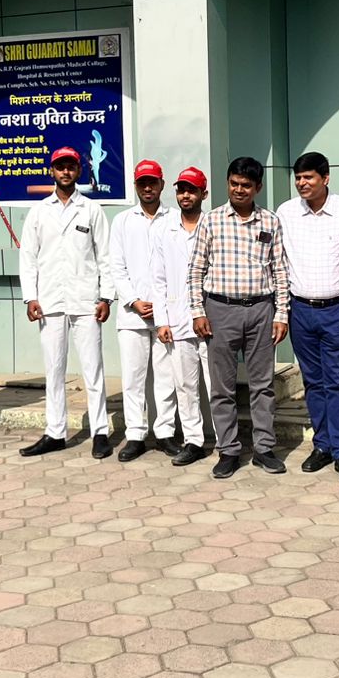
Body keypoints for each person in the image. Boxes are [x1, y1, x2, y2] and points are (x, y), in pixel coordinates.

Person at [188, 155, 290, 480]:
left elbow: (280, 271)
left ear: (258, 186)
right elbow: (196, 269)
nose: (239, 190)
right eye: (234, 184)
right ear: (227, 184)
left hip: (261, 310)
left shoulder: (270, 222)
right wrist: (198, 311)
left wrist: (281, 314)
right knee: (222, 387)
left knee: (263, 385)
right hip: (220, 310)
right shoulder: (212, 220)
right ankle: (229, 450)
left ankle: (264, 448)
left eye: (246, 185)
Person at [17, 147, 114, 458]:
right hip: (50, 301)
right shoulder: (38, 212)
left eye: (71, 166)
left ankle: (100, 432)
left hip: (86, 302)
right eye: (60, 167)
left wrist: (106, 296)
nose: (66, 172)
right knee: (54, 370)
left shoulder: (91, 209)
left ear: (79, 170)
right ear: (52, 171)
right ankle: (55, 432)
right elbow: (28, 258)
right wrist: (30, 297)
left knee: (93, 370)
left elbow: (106, 257)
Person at [278, 152, 339, 482]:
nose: (302, 183)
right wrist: (282, 310)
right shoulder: (286, 212)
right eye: (298, 178)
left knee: (336, 381)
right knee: (313, 382)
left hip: (337, 310)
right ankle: (323, 445)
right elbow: (279, 262)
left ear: (325, 178)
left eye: (309, 177)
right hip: (300, 310)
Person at [110, 160, 179, 462]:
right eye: (142, 183)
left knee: (166, 378)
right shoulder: (123, 221)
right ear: (135, 186)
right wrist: (134, 300)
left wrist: (164, 306)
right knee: (133, 379)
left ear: (162, 184)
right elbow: (116, 267)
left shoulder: (174, 219)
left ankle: (165, 433)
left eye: (152, 182)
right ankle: (136, 435)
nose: (148, 187)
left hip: (167, 316)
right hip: (132, 315)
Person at [151, 167, 212, 467]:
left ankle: (227, 441)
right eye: (181, 190)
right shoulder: (165, 230)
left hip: (211, 318)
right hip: (177, 318)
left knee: (216, 385)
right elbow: (158, 278)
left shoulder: (213, 225)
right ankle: (194, 441)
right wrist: (161, 320)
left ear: (204, 194)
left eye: (192, 190)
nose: (185, 195)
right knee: (185, 386)